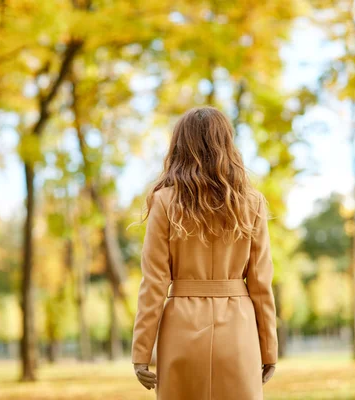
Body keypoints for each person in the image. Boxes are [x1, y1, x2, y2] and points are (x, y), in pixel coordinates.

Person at [131, 107, 278, 399]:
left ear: (179, 146)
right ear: (227, 144)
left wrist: (141, 351)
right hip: (239, 330)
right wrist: (269, 349)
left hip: (181, 330)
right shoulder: (252, 202)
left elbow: (154, 283)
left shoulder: (163, 201)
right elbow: (261, 284)